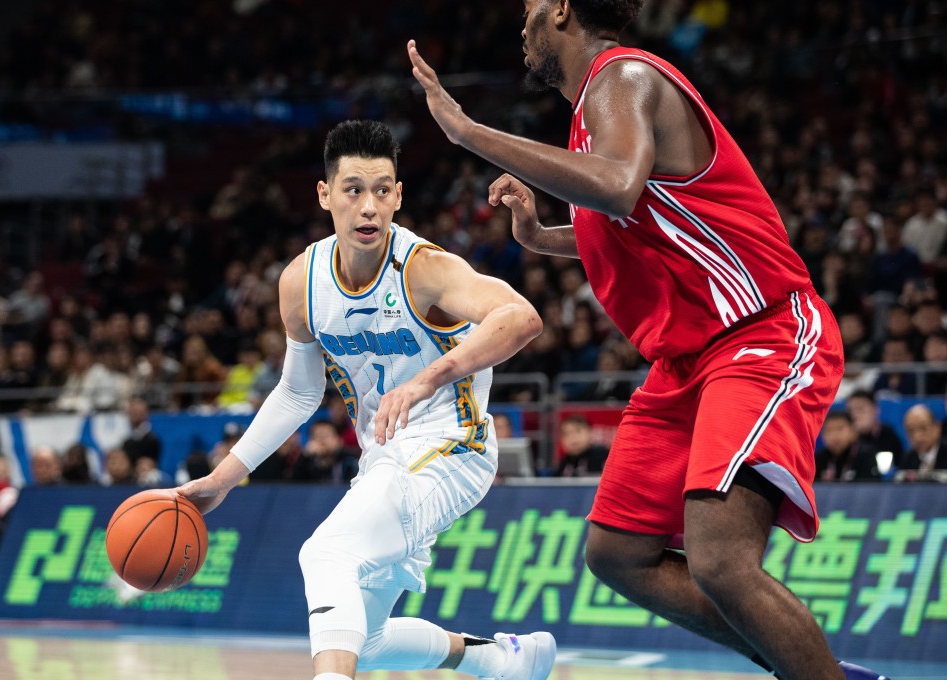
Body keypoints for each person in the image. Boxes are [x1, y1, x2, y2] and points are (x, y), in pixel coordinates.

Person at [407, 4, 887, 679]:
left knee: (720, 559)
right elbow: (638, 222)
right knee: (617, 553)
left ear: (563, 9)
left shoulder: (623, 76)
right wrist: (542, 238)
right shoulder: (592, 115)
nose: (520, 25)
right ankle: (818, 671)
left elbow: (616, 188)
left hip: (759, 334)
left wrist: (466, 131)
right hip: (684, 363)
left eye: (529, 8)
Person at [177, 120, 553, 680]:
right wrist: (222, 480)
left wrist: (429, 379)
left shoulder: (424, 269)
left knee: (325, 554)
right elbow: (299, 391)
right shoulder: (301, 283)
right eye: (353, 189)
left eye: (381, 190)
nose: (369, 206)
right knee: (364, 639)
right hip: (385, 458)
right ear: (325, 194)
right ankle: (501, 660)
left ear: (398, 196)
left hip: (454, 446)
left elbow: (521, 317)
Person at [814, 411, 881, 483]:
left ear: (853, 431)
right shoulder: (818, 459)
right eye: (828, 430)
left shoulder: (866, 456)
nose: (834, 436)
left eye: (840, 429)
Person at [898, 404, 947, 482]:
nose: (917, 437)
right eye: (911, 430)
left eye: (923, 428)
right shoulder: (908, 458)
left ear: (937, 428)